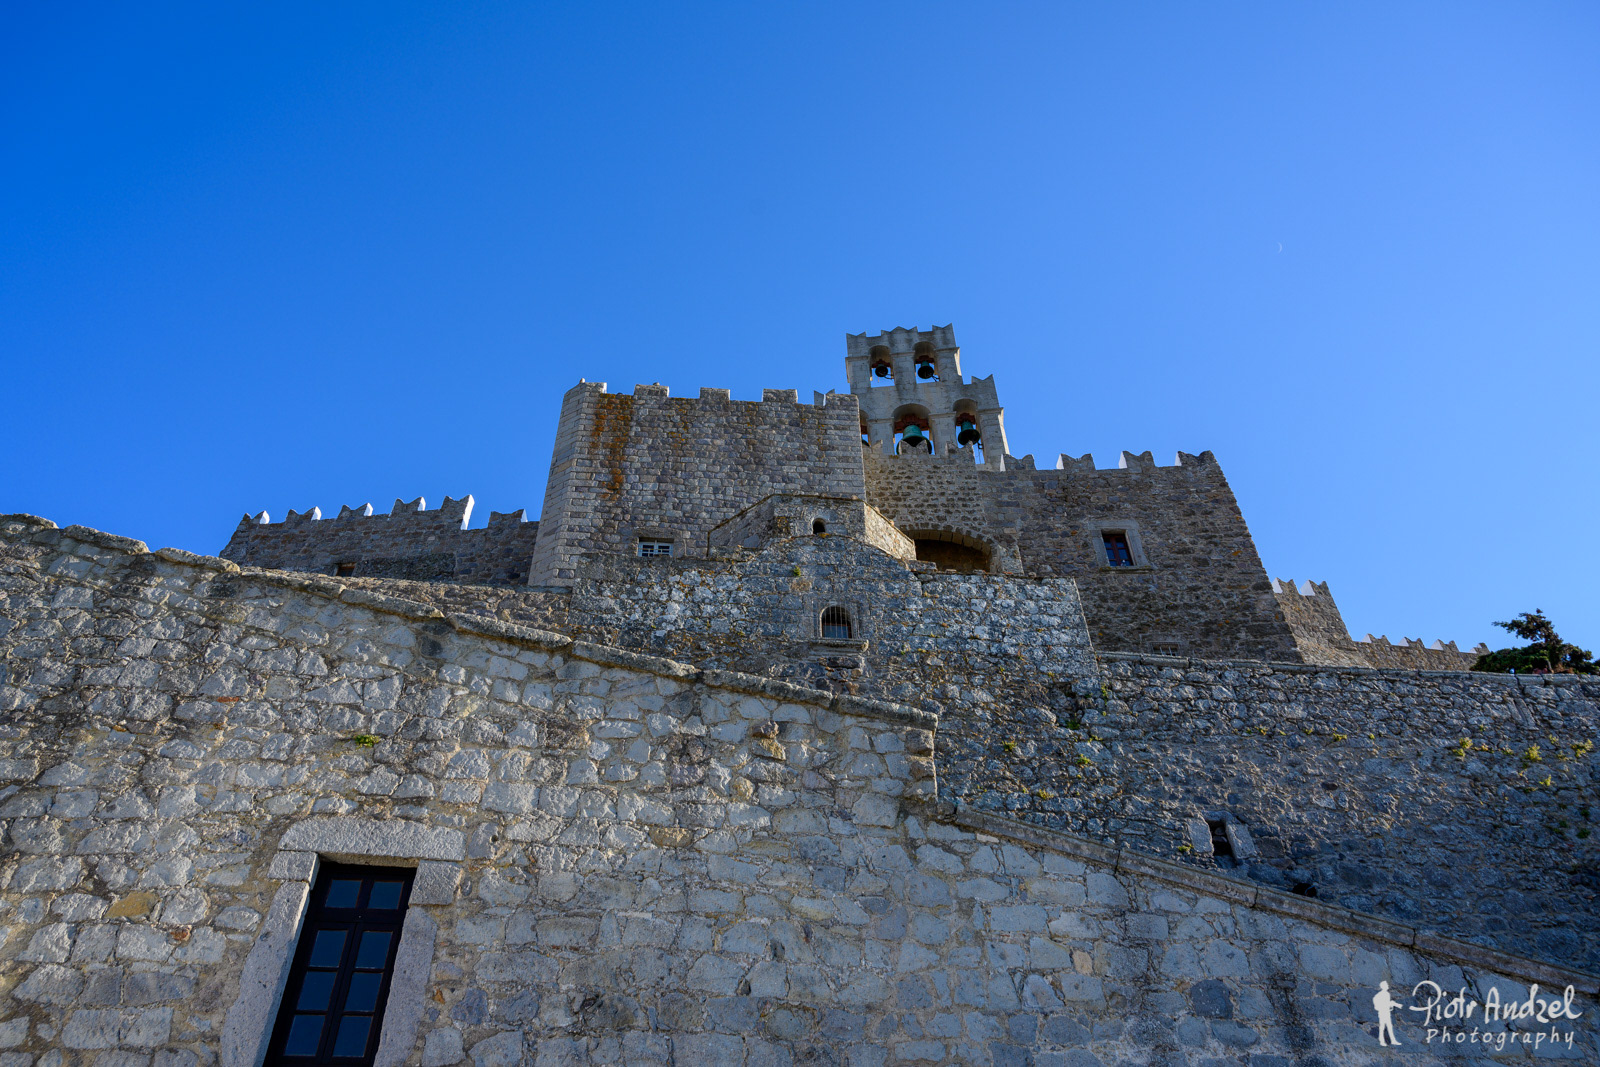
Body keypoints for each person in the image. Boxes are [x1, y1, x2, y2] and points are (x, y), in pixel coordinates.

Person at [1373, 981, 1402, 1046]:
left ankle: (1393, 1040)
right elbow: (1379, 1005)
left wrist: (1391, 1005)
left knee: (1389, 1026)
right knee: (1382, 1026)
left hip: (1387, 1012)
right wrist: (1391, 1004)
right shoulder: (1380, 995)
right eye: (1386, 985)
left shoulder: (1387, 994)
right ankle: (1381, 1040)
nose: (1387, 986)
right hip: (1383, 1012)